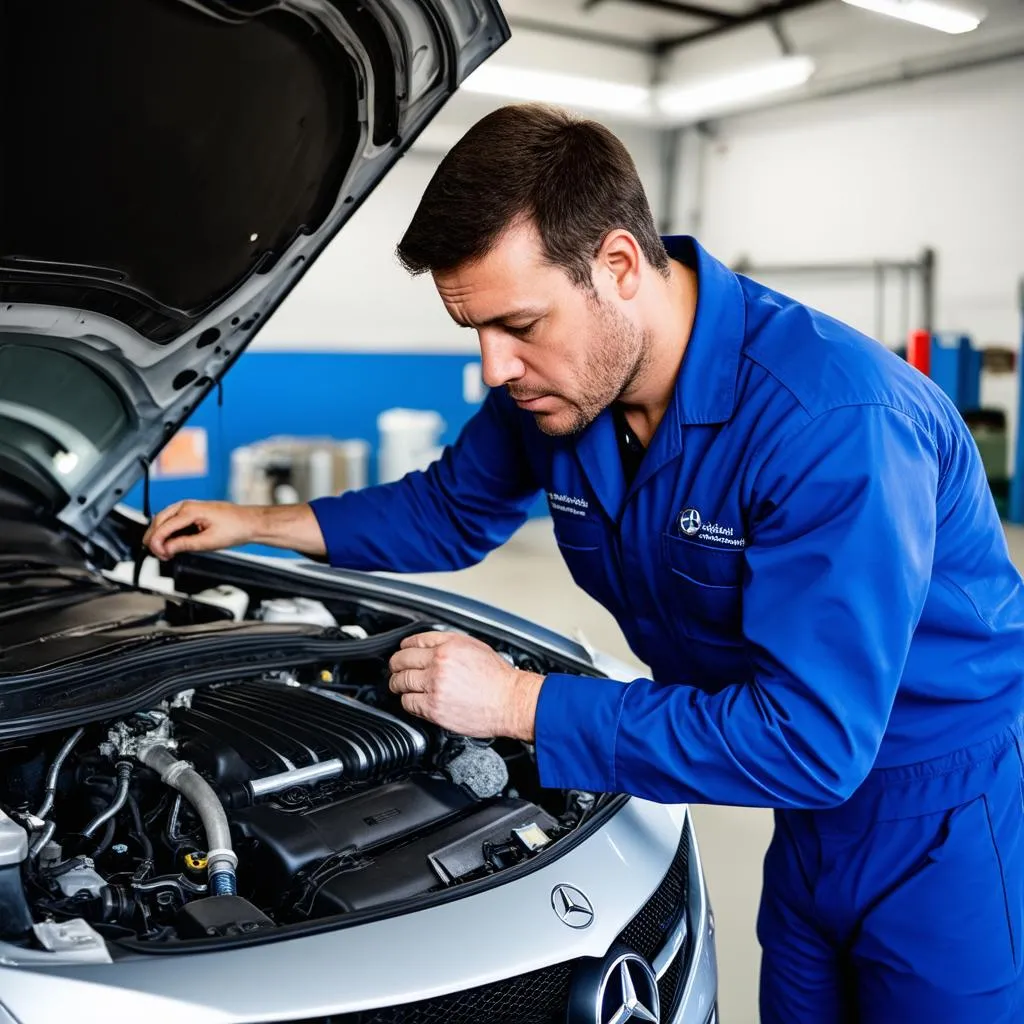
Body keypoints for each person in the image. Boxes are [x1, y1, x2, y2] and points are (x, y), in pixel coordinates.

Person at [143, 103, 1024, 1022]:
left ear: (616, 266)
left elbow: (811, 740)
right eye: (474, 331)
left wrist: (518, 703)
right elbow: (448, 511)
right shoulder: (562, 391)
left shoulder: (835, 427)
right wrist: (258, 522)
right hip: (805, 823)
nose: (494, 368)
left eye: (519, 323)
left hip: (941, 824)